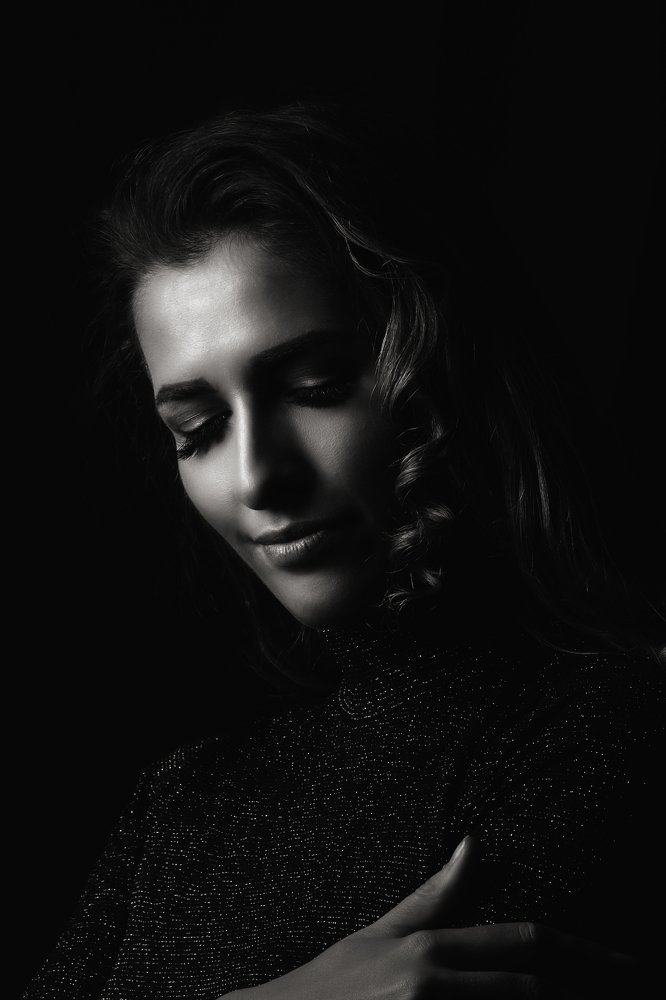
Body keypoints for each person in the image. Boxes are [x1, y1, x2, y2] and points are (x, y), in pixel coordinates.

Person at [25, 103, 664, 999]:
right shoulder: (183, 800)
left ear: (440, 363)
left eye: (315, 386)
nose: (258, 475)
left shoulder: (610, 730)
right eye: (198, 430)